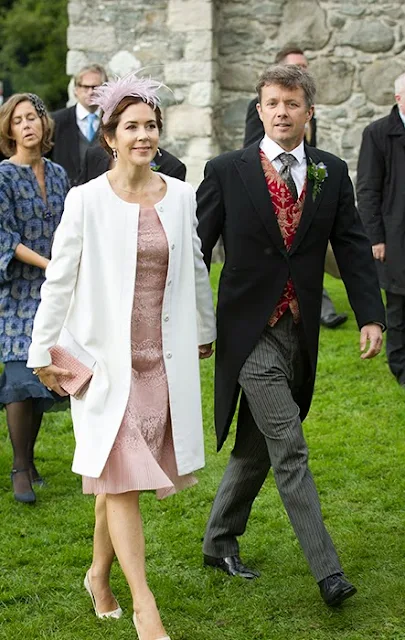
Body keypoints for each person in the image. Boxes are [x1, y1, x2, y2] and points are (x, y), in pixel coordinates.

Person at [27, 72, 216, 640]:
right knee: (123, 481)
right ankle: (145, 606)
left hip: (163, 360)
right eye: (132, 126)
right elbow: (58, 281)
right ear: (109, 136)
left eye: (151, 125)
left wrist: (204, 328)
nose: (144, 135)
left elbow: (198, 267)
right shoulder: (84, 200)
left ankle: (98, 575)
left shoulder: (181, 196)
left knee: (117, 482)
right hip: (107, 365)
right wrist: (41, 352)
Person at [196, 65, 385, 607]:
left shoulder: (330, 171)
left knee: (256, 447)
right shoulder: (227, 170)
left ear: (309, 111)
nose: (282, 111)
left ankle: (218, 541)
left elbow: (350, 246)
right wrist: (194, 323)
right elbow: (195, 251)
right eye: (272, 103)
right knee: (290, 448)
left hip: (299, 334)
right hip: (247, 333)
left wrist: (370, 315)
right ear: (259, 111)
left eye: (292, 103)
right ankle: (328, 572)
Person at [244, 45, 347, 329]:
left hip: (304, 179)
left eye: (305, 65)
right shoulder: (265, 109)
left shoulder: (308, 111)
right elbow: (253, 146)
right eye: (297, 66)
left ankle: (318, 308)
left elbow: (311, 148)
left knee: (308, 250)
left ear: (308, 111)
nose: (303, 70)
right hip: (270, 189)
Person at [0, 93, 70, 504]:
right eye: (19, 120)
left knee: (42, 376)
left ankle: (28, 458)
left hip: (55, 291)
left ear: (44, 126)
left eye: (34, 118)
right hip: (18, 289)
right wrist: (49, 264)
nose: (28, 125)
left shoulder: (59, 174)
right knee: (19, 380)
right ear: (9, 130)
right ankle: (19, 468)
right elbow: (5, 238)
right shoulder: (3, 177)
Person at [357, 72, 405, 387]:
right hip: (396, 233)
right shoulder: (377, 134)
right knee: (400, 305)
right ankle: (401, 368)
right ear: (399, 98)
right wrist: (375, 237)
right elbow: (368, 189)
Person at [51, 63, 108, 185]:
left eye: (95, 87)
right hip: (66, 194)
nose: (90, 92)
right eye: (85, 87)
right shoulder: (57, 121)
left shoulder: (112, 121)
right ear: (76, 89)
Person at [77, 141, 186, 184]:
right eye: (131, 127)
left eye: (150, 126)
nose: (142, 134)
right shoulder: (94, 155)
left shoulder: (172, 168)